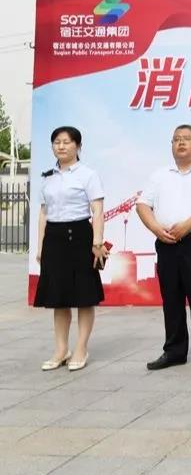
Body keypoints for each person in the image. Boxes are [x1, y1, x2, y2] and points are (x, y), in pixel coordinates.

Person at [136, 124, 191, 372]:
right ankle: (174, 351)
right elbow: (142, 204)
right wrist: (156, 229)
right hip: (167, 243)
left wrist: (186, 226)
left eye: (187, 138)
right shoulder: (160, 175)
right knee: (171, 297)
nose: (181, 143)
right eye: (176, 139)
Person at [34, 126, 108, 372]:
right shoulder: (48, 176)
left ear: (78, 146)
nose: (61, 146)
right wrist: (41, 246)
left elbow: (97, 210)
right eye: (57, 142)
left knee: (84, 296)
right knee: (59, 297)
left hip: (80, 236)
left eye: (66, 142)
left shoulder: (88, 175)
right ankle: (61, 349)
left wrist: (97, 242)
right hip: (54, 238)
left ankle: (81, 348)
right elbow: (43, 213)